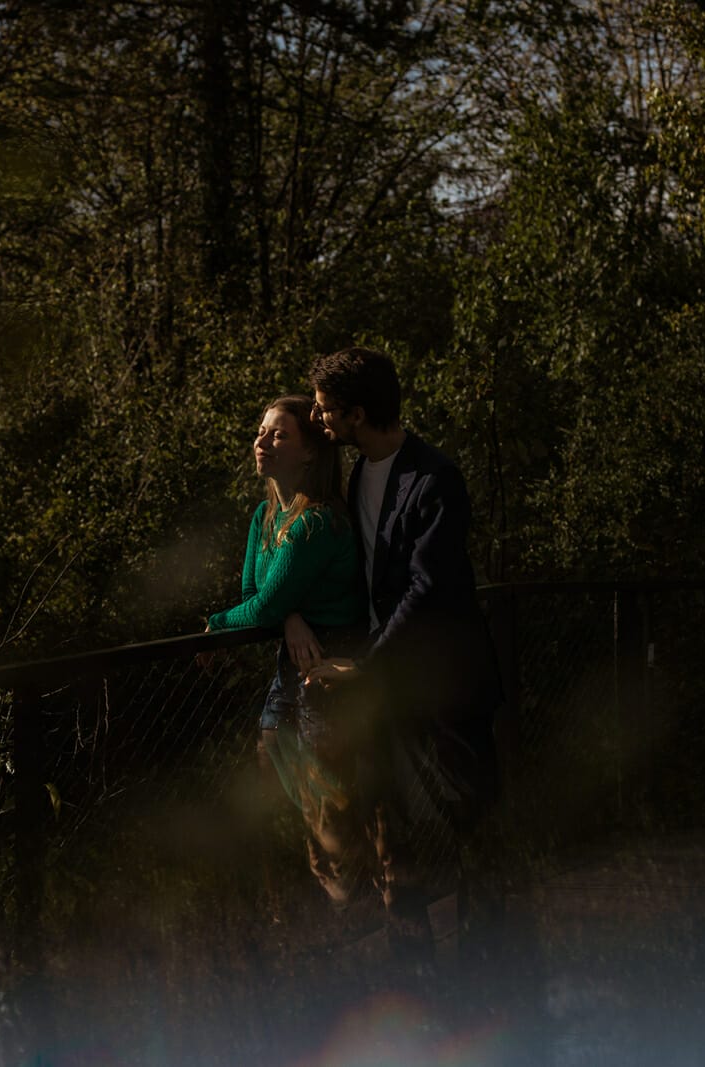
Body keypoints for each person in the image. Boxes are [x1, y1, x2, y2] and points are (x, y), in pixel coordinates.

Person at [299, 346, 501, 973]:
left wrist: (370, 665)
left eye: (326, 409)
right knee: (392, 820)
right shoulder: (357, 474)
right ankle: (410, 958)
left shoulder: (436, 479)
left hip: (445, 680)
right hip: (384, 683)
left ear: (357, 414)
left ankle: (491, 958)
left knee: (473, 816)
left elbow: (427, 587)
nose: (317, 417)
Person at [205, 395, 364, 840]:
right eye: (261, 432)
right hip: (293, 660)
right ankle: (331, 871)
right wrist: (289, 616)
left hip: (330, 665)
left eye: (279, 435)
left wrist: (217, 624)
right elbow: (254, 596)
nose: (262, 442)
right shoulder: (266, 516)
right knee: (288, 775)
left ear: (310, 452)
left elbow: (261, 608)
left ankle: (355, 875)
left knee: (332, 808)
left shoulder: (316, 522)